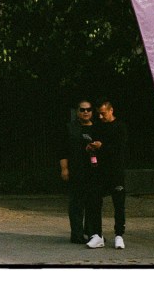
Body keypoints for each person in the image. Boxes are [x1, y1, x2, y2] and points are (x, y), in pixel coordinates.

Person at [86, 99, 129, 250]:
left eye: (103, 113)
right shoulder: (97, 127)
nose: (100, 117)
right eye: (98, 114)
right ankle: (97, 235)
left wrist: (102, 146)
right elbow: (94, 144)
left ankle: (119, 235)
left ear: (111, 110)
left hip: (116, 171)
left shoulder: (120, 127)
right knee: (94, 201)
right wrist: (91, 147)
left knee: (119, 204)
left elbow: (119, 148)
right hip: (99, 170)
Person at [59, 98, 97, 243]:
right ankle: (77, 234)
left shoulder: (97, 128)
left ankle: (92, 232)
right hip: (76, 170)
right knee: (76, 203)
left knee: (93, 203)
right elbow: (63, 150)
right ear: (77, 112)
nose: (85, 112)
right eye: (82, 109)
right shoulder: (70, 128)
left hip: (94, 170)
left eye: (88, 109)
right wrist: (64, 169)